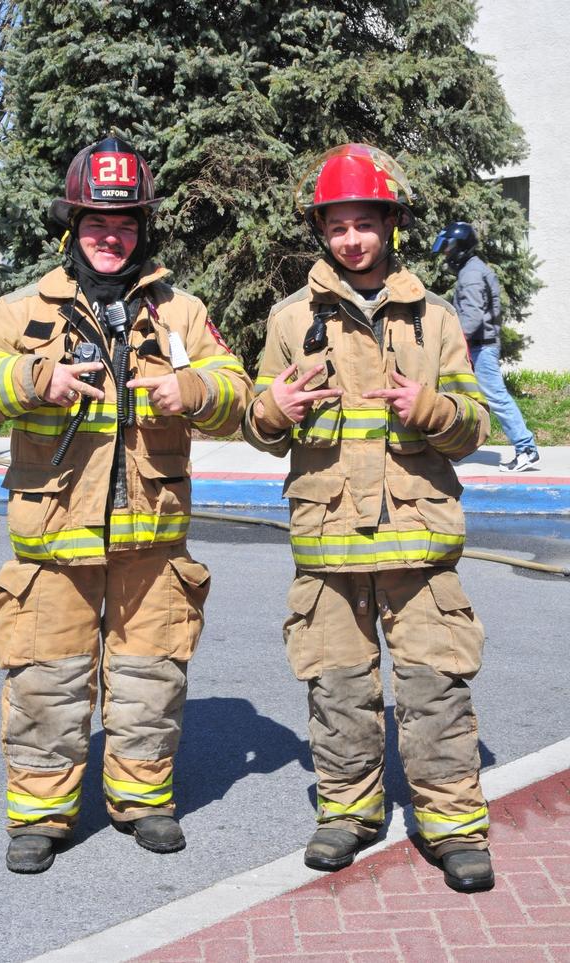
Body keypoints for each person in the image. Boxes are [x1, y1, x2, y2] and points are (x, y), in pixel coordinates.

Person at [0, 135, 252, 874]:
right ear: (71, 227)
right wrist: (33, 379)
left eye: (122, 224)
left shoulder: (180, 312)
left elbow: (238, 393)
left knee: (150, 677)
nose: (109, 237)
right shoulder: (25, 309)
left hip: (153, 542)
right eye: (94, 223)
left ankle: (143, 800)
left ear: (141, 227)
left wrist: (197, 390)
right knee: (46, 680)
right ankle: (42, 815)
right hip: (54, 539)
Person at [243, 143, 494, 893]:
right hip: (328, 540)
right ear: (322, 230)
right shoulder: (291, 320)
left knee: (435, 685)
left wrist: (434, 409)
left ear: (390, 223)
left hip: (419, 542)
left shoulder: (436, 319)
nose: (352, 238)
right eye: (338, 225)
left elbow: (475, 423)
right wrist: (271, 410)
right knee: (337, 685)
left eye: (365, 223)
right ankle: (348, 812)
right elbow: (260, 417)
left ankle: (451, 823)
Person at [432, 221, 539, 472]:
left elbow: (471, 319)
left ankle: (526, 449)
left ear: (460, 247)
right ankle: (449, 446)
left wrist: (450, 341)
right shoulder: (473, 269)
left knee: (497, 398)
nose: (446, 253)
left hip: (481, 348)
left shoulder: (471, 274)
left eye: (449, 248)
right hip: (481, 346)